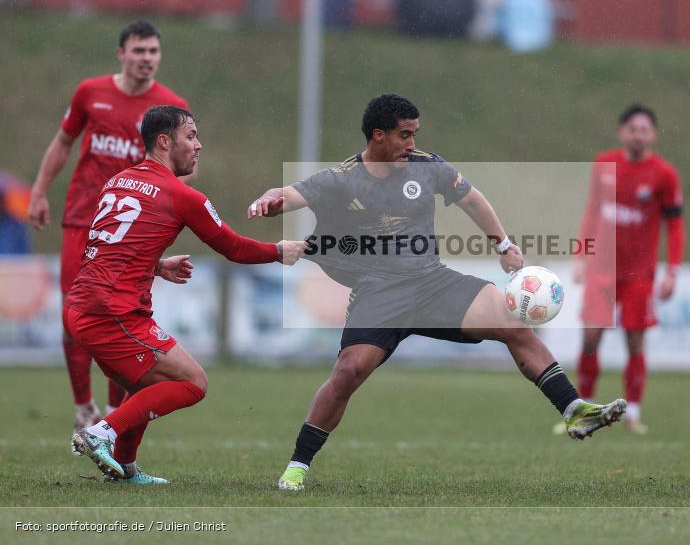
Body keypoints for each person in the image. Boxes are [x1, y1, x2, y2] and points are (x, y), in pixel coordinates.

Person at [248, 93, 627, 490]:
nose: (412, 143)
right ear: (378, 136)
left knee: (512, 323)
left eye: (415, 133)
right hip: (379, 294)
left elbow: (473, 200)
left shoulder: (428, 168)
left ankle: (573, 409)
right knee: (348, 372)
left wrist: (503, 245)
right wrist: (272, 200)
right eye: (404, 134)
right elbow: (294, 193)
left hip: (433, 283)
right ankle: (298, 465)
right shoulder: (341, 179)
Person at [66, 105, 305, 484]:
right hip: (112, 312)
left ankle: (125, 469)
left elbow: (105, 247)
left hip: (84, 307)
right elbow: (233, 247)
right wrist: (278, 251)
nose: (199, 145)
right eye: (190, 136)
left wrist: (158, 266)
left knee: (144, 386)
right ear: (164, 141)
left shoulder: (118, 182)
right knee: (192, 383)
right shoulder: (181, 195)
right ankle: (100, 434)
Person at [28, 20, 190, 432]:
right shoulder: (91, 93)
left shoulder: (168, 107)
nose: (146, 59)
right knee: (74, 313)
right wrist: (39, 191)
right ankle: (84, 407)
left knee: (123, 319)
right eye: (139, 51)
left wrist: (164, 226)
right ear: (122, 54)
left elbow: (179, 174)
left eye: (153, 51)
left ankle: (114, 419)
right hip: (83, 218)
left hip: (132, 230)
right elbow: (64, 140)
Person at [567, 104, 684, 435]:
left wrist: (672, 270)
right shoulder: (604, 164)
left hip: (639, 275)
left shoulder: (664, 174)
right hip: (601, 270)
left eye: (644, 129)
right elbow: (591, 212)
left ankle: (632, 414)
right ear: (622, 132)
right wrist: (580, 255)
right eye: (632, 128)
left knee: (635, 342)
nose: (638, 134)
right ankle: (583, 409)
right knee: (590, 338)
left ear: (653, 135)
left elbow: (675, 226)